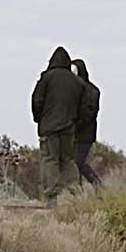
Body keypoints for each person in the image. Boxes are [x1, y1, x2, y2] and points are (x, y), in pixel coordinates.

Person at [29, 47, 88, 200]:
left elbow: (37, 100)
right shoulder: (78, 83)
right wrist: (76, 123)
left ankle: (52, 196)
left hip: (49, 128)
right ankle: (75, 194)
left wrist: (39, 119)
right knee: (68, 160)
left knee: (50, 160)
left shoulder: (46, 78)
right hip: (69, 128)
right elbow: (83, 107)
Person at [69, 56, 101, 187]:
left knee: (78, 162)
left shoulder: (92, 91)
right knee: (72, 163)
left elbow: (90, 113)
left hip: (85, 133)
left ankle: (97, 184)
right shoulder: (73, 90)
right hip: (73, 131)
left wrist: (76, 124)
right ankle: (77, 190)